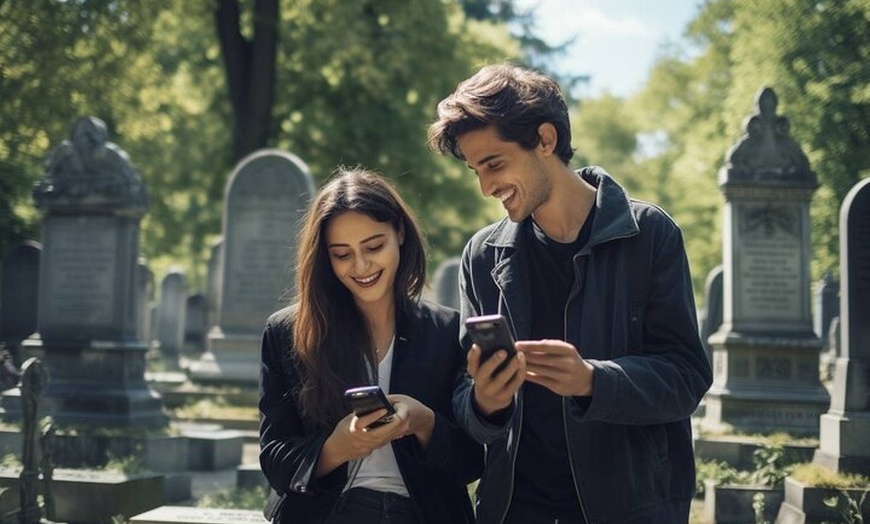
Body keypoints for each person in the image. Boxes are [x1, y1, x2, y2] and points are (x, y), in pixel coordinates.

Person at [428, 64, 713, 524]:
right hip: (513, 511)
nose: (485, 188)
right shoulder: (481, 255)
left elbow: (686, 378)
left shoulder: (650, 235)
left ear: (545, 139)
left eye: (494, 164)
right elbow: (465, 400)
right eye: (475, 170)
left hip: (630, 510)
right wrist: (486, 399)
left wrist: (592, 381)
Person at [258, 167, 483, 524]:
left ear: (401, 234)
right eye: (341, 254)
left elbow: (471, 461)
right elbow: (275, 458)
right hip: (326, 513)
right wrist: (335, 449)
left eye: (374, 246)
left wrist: (425, 424)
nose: (360, 266)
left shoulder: (446, 331)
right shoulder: (287, 331)